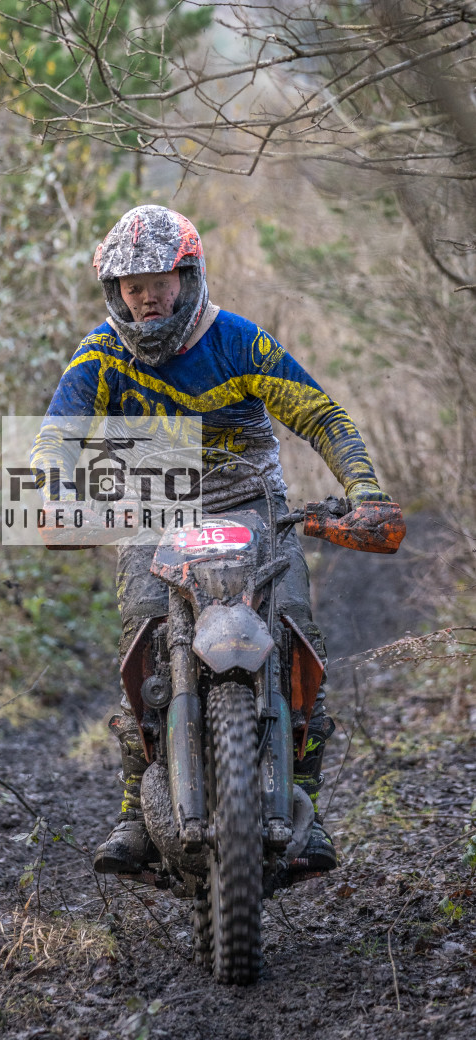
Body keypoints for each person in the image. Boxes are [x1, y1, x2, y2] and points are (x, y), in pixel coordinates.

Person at [33, 205, 392, 878]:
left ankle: (307, 806)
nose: (145, 295)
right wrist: (55, 494)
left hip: (252, 505)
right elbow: (58, 435)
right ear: (114, 291)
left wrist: (364, 489)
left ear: (187, 276)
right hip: (152, 508)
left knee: (296, 634)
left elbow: (320, 415)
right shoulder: (99, 354)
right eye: (130, 283)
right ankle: (132, 815)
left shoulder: (236, 339)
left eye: (158, 279)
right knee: (141, 644)